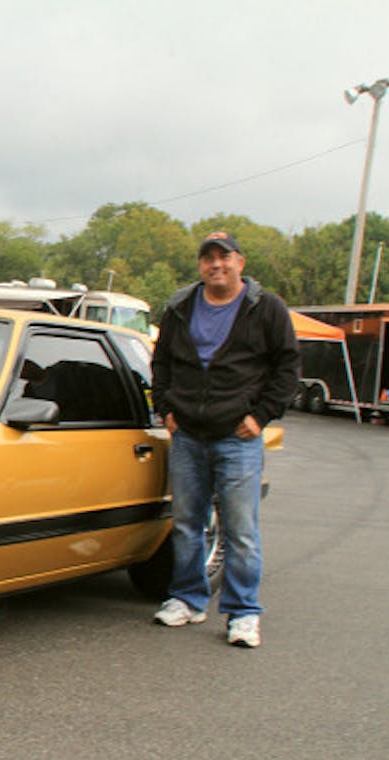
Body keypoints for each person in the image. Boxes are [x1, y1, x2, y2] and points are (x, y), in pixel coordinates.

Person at [150, 231, 299, 648]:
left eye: (224, 257)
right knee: (186, 525)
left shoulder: (265, 308)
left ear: (240, 262)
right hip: (188, 436)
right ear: (200, 265)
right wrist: (166, 409)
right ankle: (188, 599)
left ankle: (243, 613)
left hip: (238, 437)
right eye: (208, 258)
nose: (216, 265)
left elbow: (287, 367)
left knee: (240, 530)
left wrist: (261, 416)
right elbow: (161, 362)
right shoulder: (181, 306)